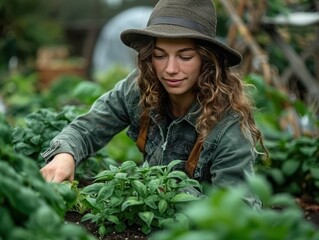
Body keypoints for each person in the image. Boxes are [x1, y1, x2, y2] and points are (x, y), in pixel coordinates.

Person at [40, 0, 267, 206]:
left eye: (185, 57)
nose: (170, 69)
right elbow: (86, 129)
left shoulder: (228, 128)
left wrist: (170, 192)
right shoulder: (140, 90)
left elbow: (238, 212)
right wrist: (65, 155)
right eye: (160, 55)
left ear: (207, 60)